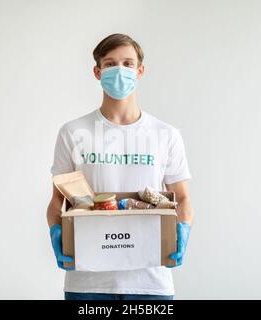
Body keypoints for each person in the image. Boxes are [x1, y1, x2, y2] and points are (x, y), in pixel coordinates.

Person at [47, 33, 194, 300]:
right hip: (87, 282)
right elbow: (58, 199)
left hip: (150, 282)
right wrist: (56, 230)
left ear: (140, 71)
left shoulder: (165, 134)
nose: (120, 70)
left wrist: (182, 229)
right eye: (110, 63)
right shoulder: (73, 132)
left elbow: (182, 197)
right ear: (97, 71)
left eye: (128, 63)